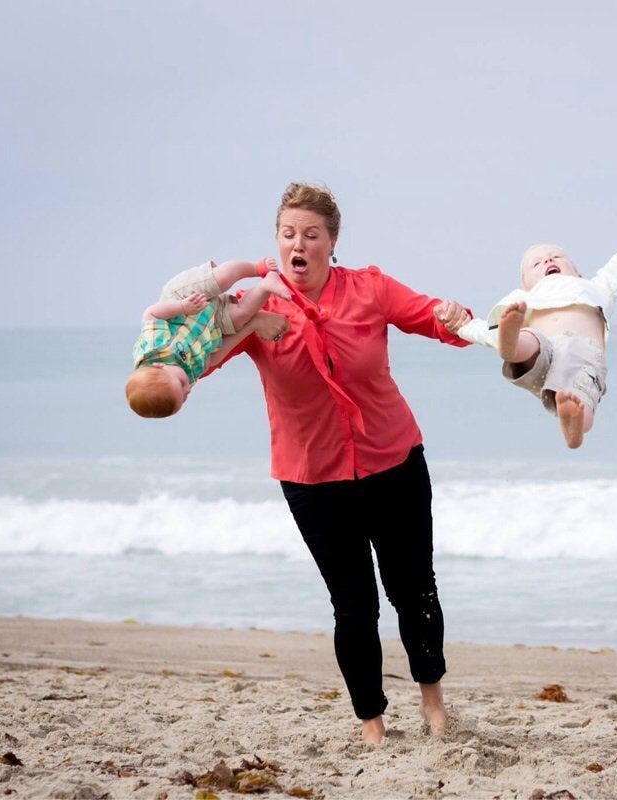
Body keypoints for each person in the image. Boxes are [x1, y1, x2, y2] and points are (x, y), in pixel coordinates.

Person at [207, 182, 473, 745]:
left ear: (331, 243)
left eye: (310, 234)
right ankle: (372, 724)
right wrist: (229, 327)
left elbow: (440, 322)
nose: (297, 244)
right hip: (312, 479)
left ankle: (434, 705)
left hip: (394, 463)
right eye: (287, 234)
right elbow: (202, 358)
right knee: (354, 606)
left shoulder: (369, 289)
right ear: (276, 242)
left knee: (415, 590)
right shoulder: (260, 307)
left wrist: (456, 315)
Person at [437, 213, 617, 448]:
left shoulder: (596, 287)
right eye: (536, 263)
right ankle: (510, 344)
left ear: (578, 272)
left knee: (581, 396)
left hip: (581, 355)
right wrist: (464, 327)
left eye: (556, 257)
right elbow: (486, 332)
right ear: (525, 284)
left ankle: (573, 423)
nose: (547, 261)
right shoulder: (526, 299)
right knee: (529, 338)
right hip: (541, 348)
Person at [125, 258, 290, 418]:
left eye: (181, 384)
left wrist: (182, 307)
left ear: (159, 367)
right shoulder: (188, 376)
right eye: (184, 397)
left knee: (221, 278)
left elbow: (151, 314)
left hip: (186, 299)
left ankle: (256, 268)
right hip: (212, 323)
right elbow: (211, 359)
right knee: (241, 315)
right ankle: (267, 285)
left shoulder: (153, 350)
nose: (187, 389)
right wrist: (247, 326)